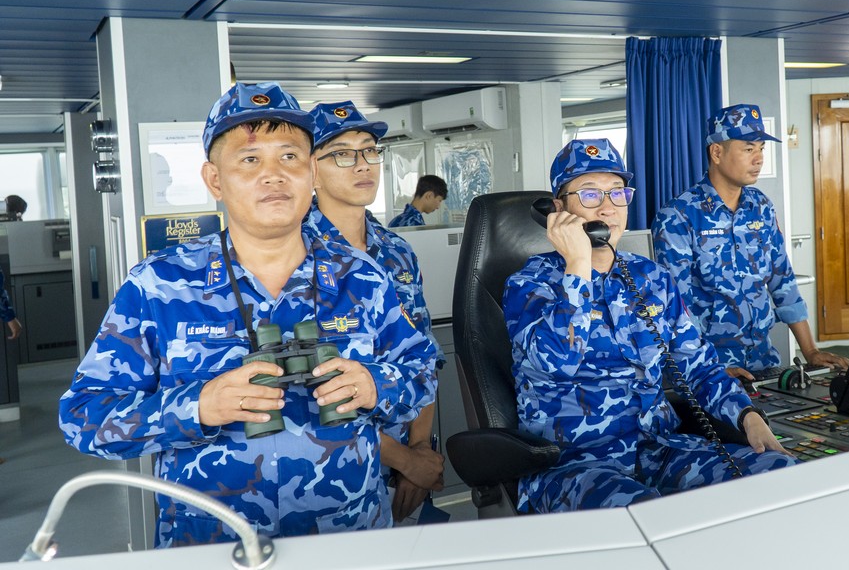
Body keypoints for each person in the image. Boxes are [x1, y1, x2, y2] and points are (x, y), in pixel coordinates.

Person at [59, 82, 439, 546]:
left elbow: (421, 372)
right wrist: (196, 406)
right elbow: (83, 416)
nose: (274, 175)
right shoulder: (157, 286)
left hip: (348, 535)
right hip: (210, 541)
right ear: (215, 179)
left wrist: (377, 384)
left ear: (312, 174)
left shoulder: (363, 277)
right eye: (250, 160)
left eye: (290, 157)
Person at [505, 138, 795, 513]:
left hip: (660, 449)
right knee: (646, 513)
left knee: (781, 475)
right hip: (574, 467)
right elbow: (556, 360)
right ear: (558, 210)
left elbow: (701, 367)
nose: (608, 207)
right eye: (590, 195)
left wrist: (748, 417)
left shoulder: (651, 279)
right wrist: (577, 264)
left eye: (617, 193)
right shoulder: (529, 284)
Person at [303, 101, 445, 524]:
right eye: (342, 154)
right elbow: (310, 391)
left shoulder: (397, 250)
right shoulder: (292, 253)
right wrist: (404, 459)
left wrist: (421, 451)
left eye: (370, 150)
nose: (363, 164)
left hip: (408, 460)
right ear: (311, 170)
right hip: (335, 467)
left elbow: (423, 356)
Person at [653, 104, 848, 381]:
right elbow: (675, 306)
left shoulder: (761, 207)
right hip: (707, 369)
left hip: (763, 361)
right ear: (717, 152)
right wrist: (706, 369)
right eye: (748, 149)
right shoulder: (679, 215)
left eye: (761, 149)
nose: (758, 159)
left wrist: (811, 351)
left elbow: (783, 281)